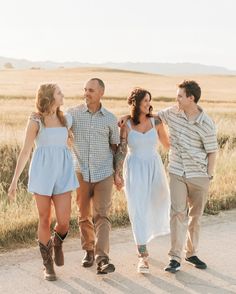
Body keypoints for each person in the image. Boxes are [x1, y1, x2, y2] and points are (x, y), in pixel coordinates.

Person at [8, 83, 79, 281]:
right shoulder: (36, 120)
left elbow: (86, 113)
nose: (63, 94)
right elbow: (25, 151)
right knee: (44, 218)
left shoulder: (67, 119)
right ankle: (48, 264)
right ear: (49, 97)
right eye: (59, 92)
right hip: (42, 173)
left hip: (63, 173)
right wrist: (14, 181)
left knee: (64, 221)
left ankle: (57, 242)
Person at [157, 80, 218, 273]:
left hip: (199, 175)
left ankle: (191, 253)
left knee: (195, 216)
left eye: (180, 96)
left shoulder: (206, 123)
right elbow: (151, 117)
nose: (177, 98)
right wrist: (127, 116)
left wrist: (208, 175)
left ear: (191, 98)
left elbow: (212, 152)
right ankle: (175, 257)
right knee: (177, 213)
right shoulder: (172, 113)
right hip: (176, 171)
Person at [114, 88, 170, 274]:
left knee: (161, 200)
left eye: (149, 100)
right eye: (145, 101)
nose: (148, 104)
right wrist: (117, 173)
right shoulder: (127, 124)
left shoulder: (156, 121)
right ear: (135, 103)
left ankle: (153, 234)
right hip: (135, 168)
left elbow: (168, 145)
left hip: (154, 166)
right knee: (137, 209)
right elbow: (122, 150)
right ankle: (142, 255)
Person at [68, 78, 120, 274]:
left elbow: (116, 148)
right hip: (80, 173)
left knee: (102, 215)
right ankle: (88, 250)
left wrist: (118, 174)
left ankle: (102, 258)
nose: (86, 93)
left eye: (91, 90)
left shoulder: (109, 119)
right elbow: (58, 122)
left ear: (101, 93)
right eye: (85, 89)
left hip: (104, 174)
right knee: (83, 215)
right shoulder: (73, 114)